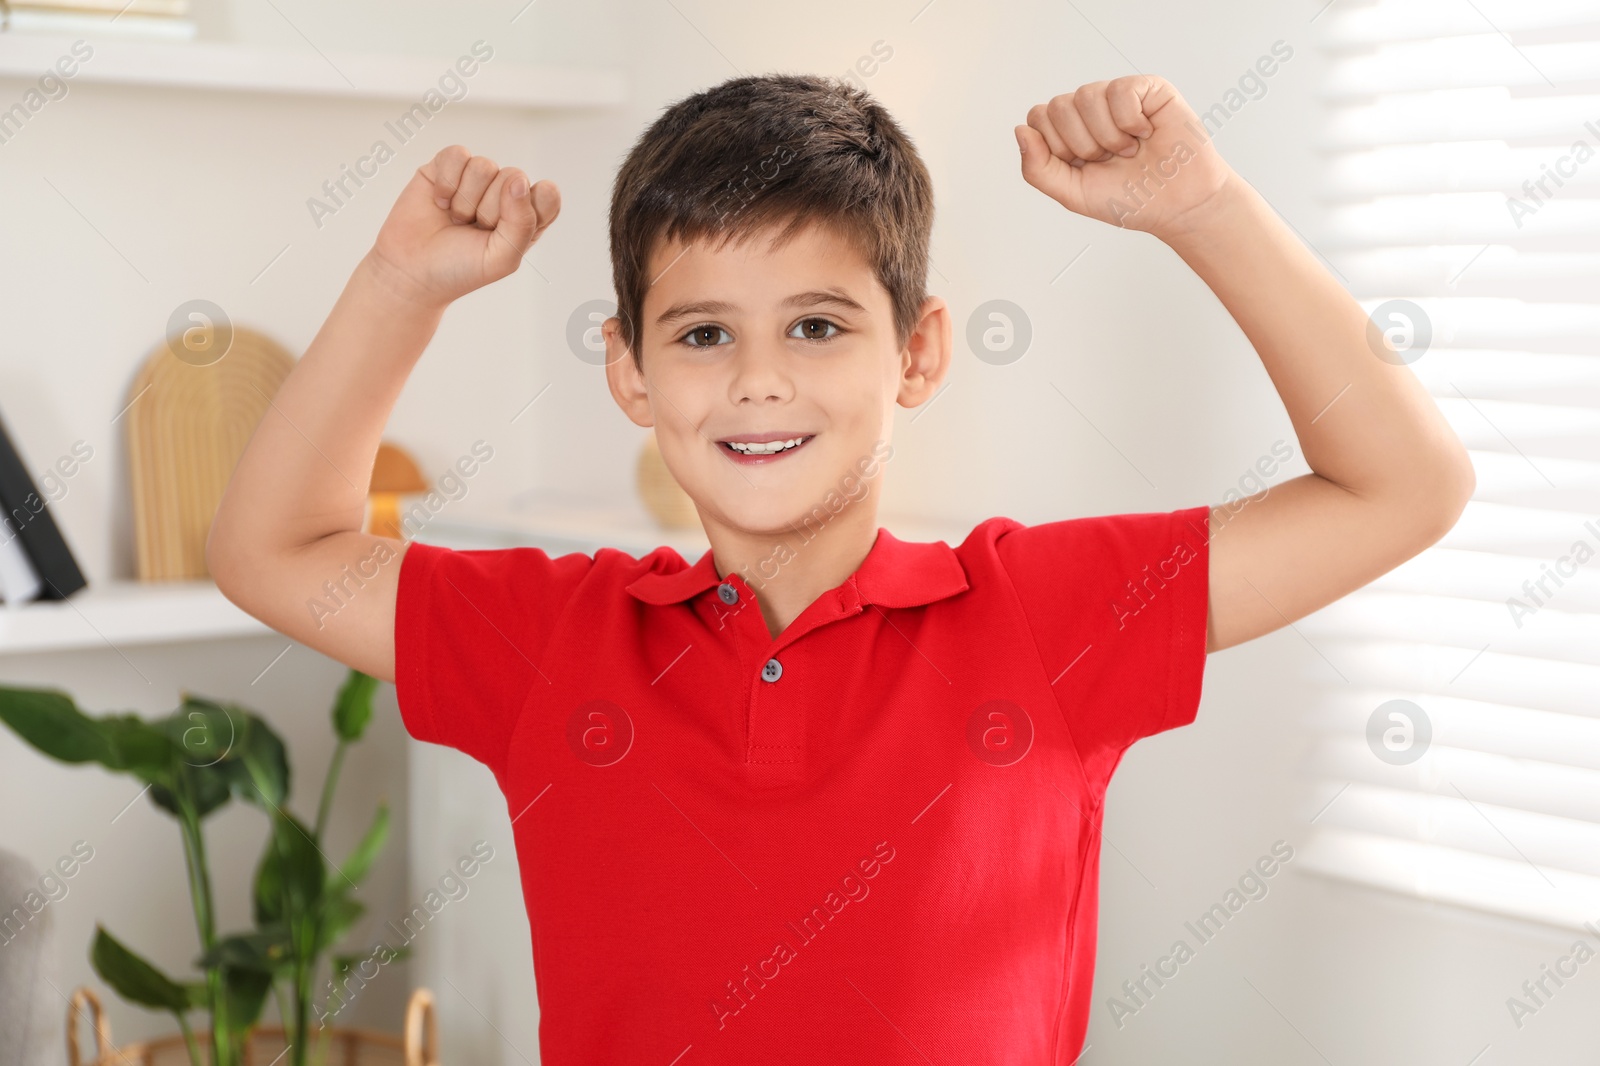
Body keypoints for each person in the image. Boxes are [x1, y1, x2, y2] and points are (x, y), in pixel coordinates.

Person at [208, 72, 1473, 1064]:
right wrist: (399, 287)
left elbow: (1402, 486)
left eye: (817, 326)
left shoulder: (1042, 618)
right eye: (704, 333)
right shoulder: (559, 637)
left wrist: (1204, 207)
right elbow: (272, 551)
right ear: (630, 373)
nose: (759, 377)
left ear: (916, 355)